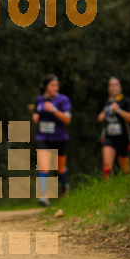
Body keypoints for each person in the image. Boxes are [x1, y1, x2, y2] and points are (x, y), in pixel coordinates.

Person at [32, 74, 72, 206]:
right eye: (52, 85)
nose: (55, 87)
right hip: (43, 138)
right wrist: (36, 116)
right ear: (46, 87)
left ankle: (64, 190)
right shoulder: (39, 100)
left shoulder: (63, 100)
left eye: (57, 85)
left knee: (60, 168)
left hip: (59, 138)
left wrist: (54, 110)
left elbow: (67, 119)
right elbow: (37, 112)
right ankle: (44, 197)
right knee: (43, 167)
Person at [97, 76, 130, 179]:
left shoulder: (125, 101)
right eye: (111, 85)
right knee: (106, 165)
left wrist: (119, 111)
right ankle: (106, 191)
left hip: (123, 137)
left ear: (120, 87)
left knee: (125, 168)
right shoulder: (106, 102)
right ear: (108, 88)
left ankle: (128, 189)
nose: (114, 87)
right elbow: (99, 117)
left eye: (116, 85)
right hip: (109, 137)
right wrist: (101, 116)